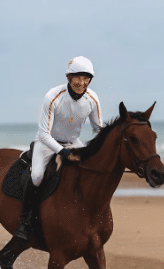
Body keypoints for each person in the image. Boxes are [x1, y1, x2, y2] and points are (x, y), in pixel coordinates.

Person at [14, 56, 102, 241]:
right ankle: (25, 221)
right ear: (69, 78)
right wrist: (63, 153)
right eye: (77, 78)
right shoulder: (53, 97)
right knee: (37, 176)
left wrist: (93, 150)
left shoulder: (93, 99)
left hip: (73, 142)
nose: (81, 82)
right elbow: (44, 133)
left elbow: (97, 130)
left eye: (86, 78)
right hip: (46, 143)